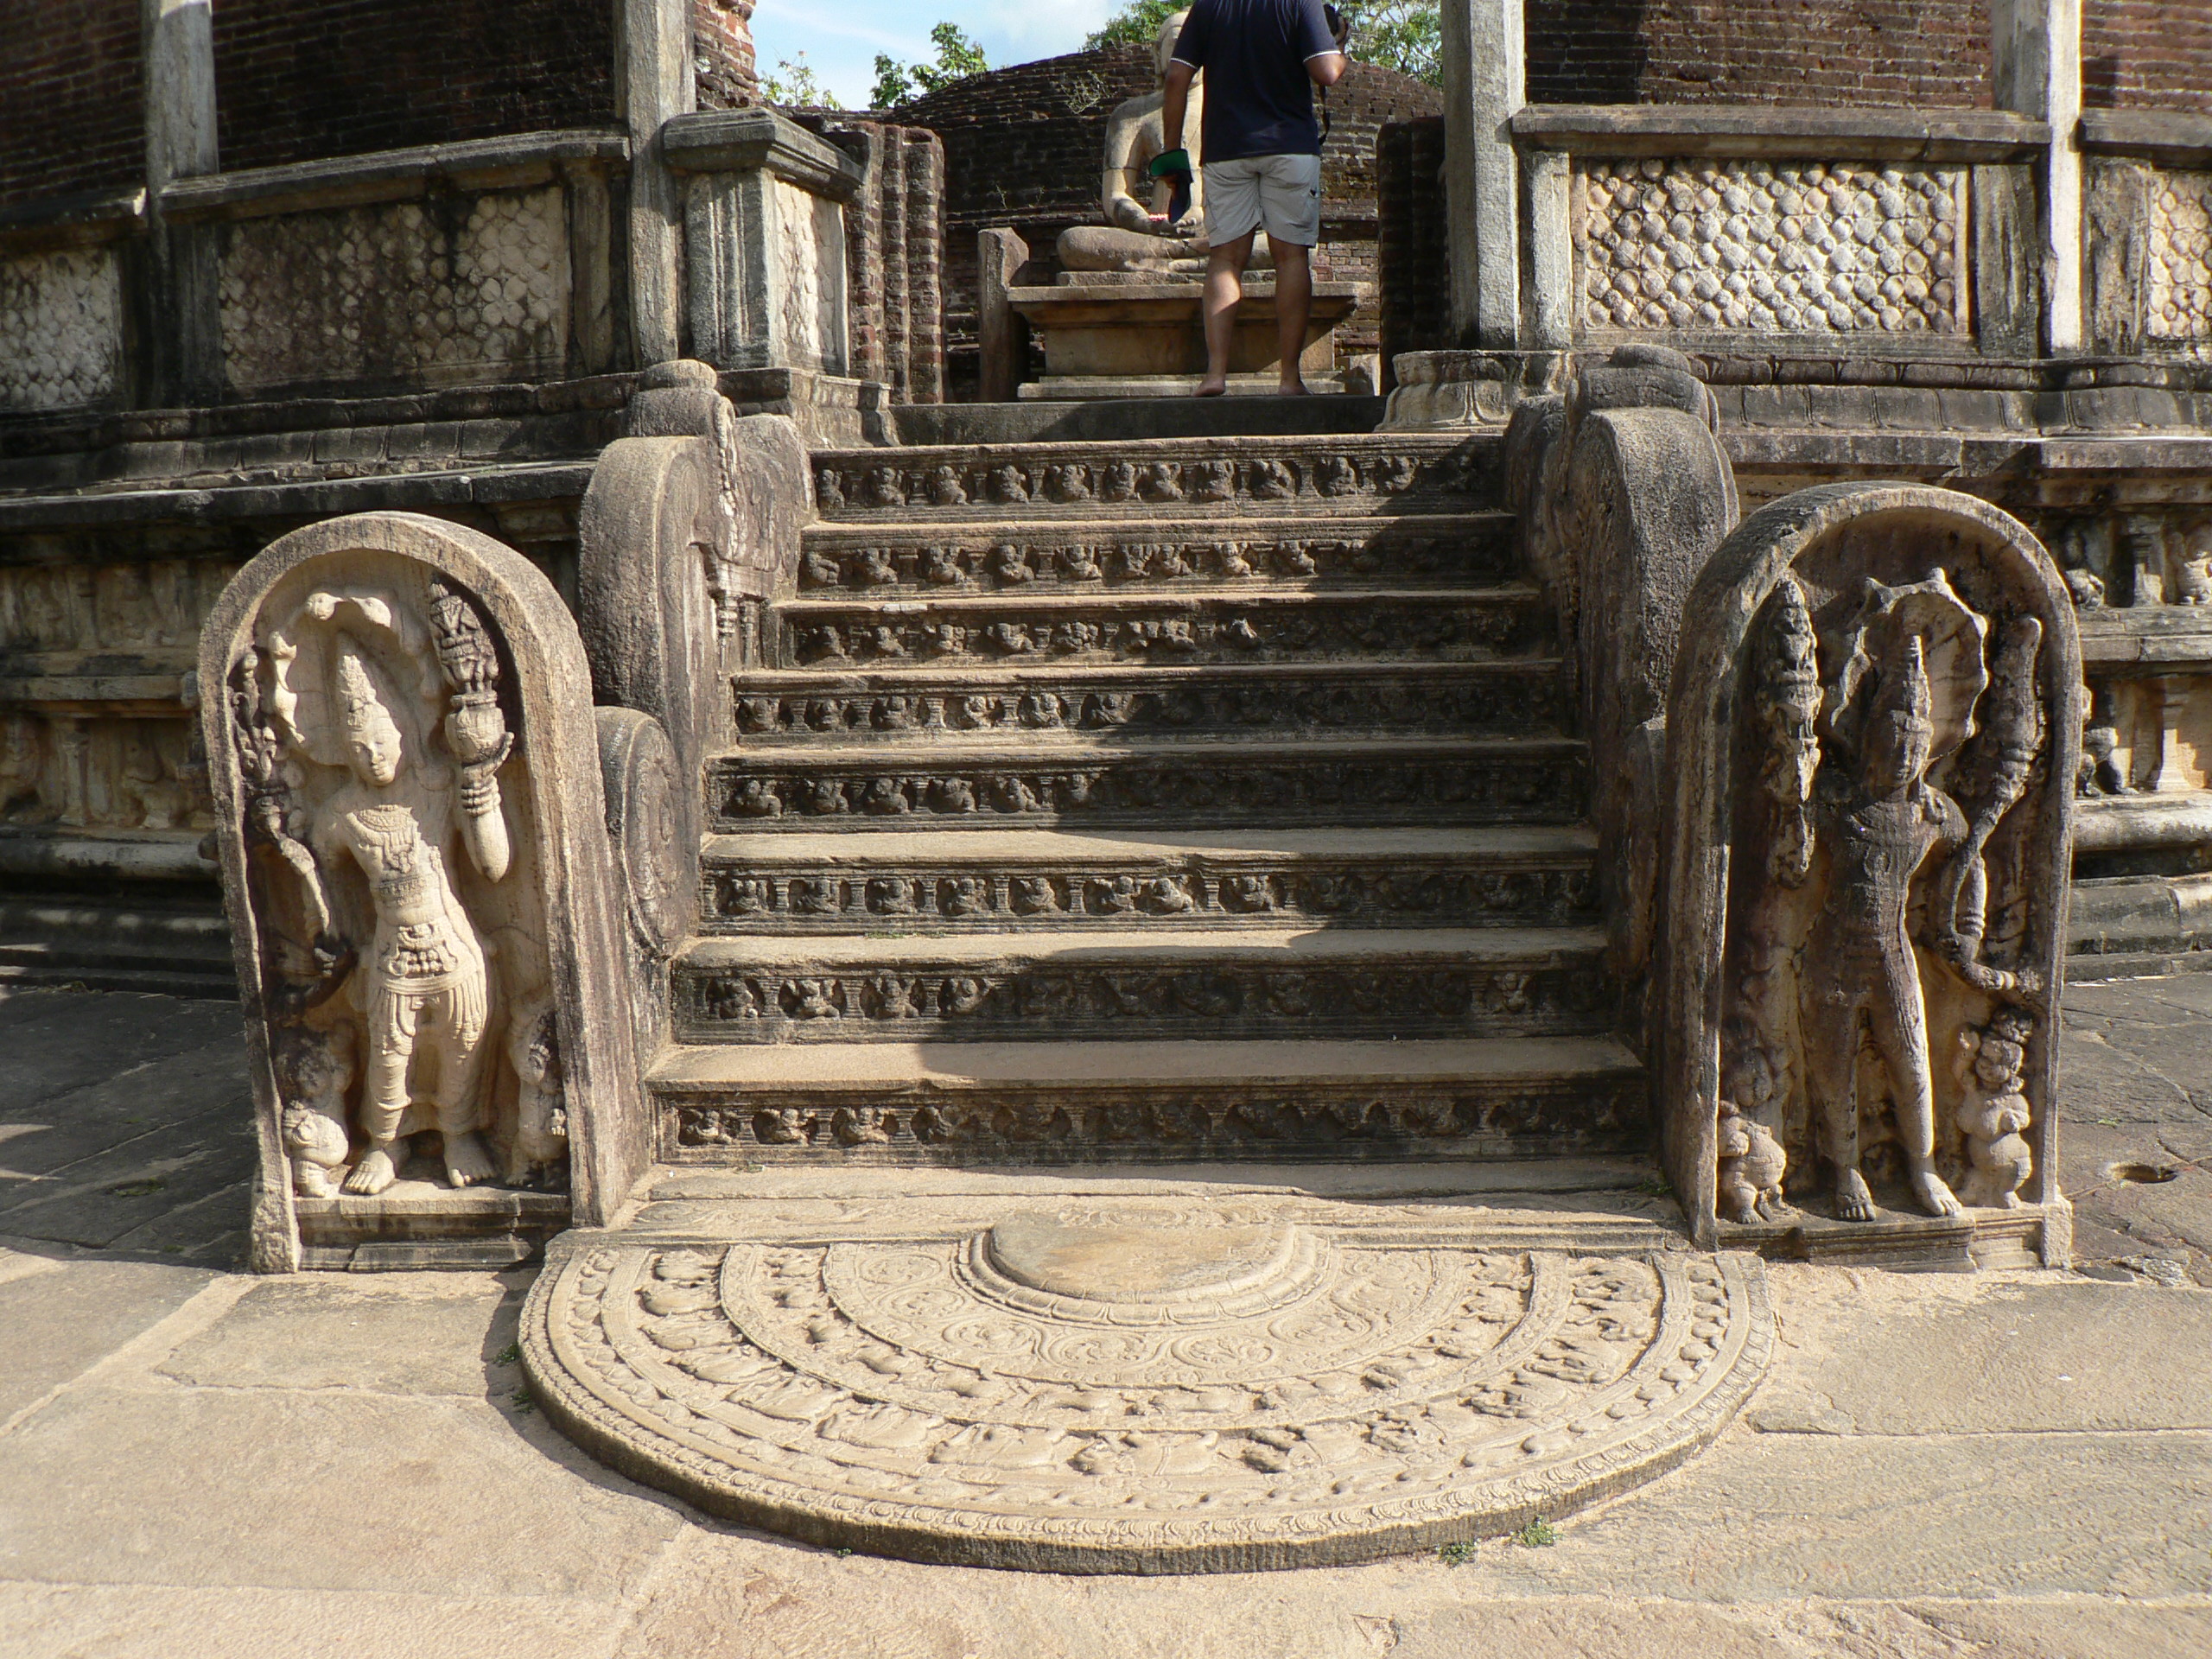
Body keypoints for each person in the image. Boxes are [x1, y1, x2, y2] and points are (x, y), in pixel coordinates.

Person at [1162, 0, 1347, 396]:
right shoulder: (1300, 2)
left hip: (1226, 149)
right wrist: (1338, 44)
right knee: (1291, 258)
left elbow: (1177, 77)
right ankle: (1289, 378)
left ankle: (1215, 375)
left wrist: (1171, 152)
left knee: (1225, 259)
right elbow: (1327, 72)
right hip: (1290, 147)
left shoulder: (1209, 6)